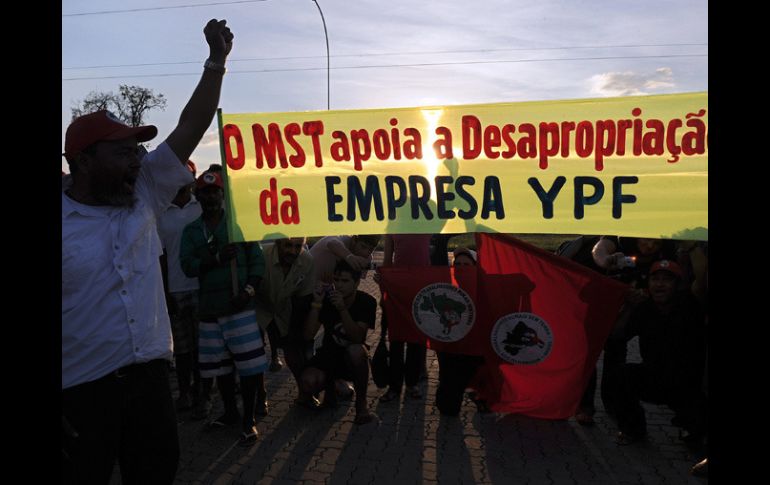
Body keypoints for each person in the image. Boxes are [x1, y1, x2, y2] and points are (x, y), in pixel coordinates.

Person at [62, 18, 234, 484]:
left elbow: (191, 124)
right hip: (79, 394)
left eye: (138, 150)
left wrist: (216, 63)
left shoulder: (144, 190)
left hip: (151, 385)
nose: (138, 159)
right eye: (122, 152)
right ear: (82, 161)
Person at [180, 171, 268, 446]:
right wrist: (216, 258)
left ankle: (248, 419)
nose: (210, 197)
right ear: (197, 195)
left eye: (215, 191)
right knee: (222, 368)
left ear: (223, 194)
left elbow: (257, 263)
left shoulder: (239, 225)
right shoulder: (192, 231)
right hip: (210, 310)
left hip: (239, 308)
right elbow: (187, 265)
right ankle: (230, 412)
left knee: (250, 367)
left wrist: (248, 291)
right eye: (204, 193)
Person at [614, 260, 707, 445]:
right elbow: (618, 336)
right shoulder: (643, 308)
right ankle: (634, 430)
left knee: (696, 439)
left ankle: (692, 428)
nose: (660, 284)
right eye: (655, 279)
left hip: (687, 384)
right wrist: (628, 308)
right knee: (621, 375)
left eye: (667, 280)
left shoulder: (690, 305)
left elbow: (702, 282)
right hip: (655, 377)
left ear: (677, 285)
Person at [300, 261, 378, 425]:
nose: (339, 285)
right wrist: (317, 304)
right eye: (336, 280)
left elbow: (358, 338)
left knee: (357, 351)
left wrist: (342, 309)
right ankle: (332, 389)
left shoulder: (367, 301)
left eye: (345, 281)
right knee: (308, 382)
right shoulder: (328, 300)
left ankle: (361, 405)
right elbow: (308, 335)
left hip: (351, 359)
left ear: (356, 283)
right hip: (329, 354)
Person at [158, 160, 204, 412]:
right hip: (175, 289)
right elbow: (161, 256)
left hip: (199, 286)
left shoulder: (201, 207)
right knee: (182, 348)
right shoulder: (161, 211)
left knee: (201, 346)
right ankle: (185, 391)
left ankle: (200, 392)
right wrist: (164, 293)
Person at [254, 237, 317, 410]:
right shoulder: (261, 255)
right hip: (258, 304)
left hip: (285, 306)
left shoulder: (307, 260)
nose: (293, 251)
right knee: (255, 352)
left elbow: (304, 298)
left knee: (293, 350)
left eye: (298, 246)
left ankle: (305, 393)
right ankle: (260, 395)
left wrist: (295, 332)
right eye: (288, 245)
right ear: (278, 244)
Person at [378, 234, 431, 403]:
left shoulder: (427, 219)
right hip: (398, 285)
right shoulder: (393, 224)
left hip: (421, 283)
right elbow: (387, 259)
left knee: (417, 338)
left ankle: (412, 383)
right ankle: (394, 387)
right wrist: (383, 289)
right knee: (396, 340)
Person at [435, 247, 487, 416]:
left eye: (466, 264)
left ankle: (479, 392)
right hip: (450, 345)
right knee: (447, 407)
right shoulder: (446, 286)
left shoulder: (484, 287)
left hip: (474, 347)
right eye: (458, 264)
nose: (462, 267)